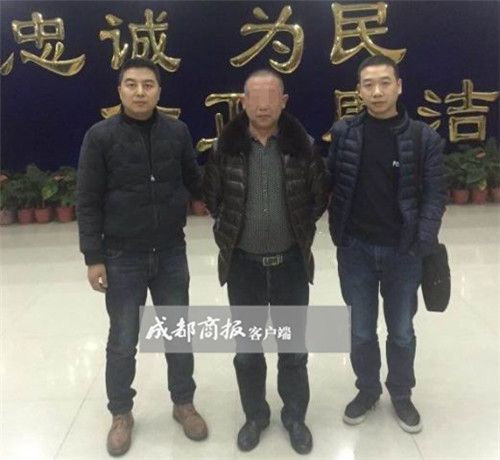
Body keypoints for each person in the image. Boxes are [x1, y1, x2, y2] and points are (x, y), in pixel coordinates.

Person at [77, 57, 208, 456]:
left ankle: (183, 403)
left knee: (178, 334)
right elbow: (87, 201)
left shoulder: (177, 132)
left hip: (170, 251)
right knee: (123, 340)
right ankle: (121, 413)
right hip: (122, 256)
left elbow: (195, 182)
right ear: (120, 90)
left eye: (147, 85)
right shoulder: (100, 137)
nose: (139, 92)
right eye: (131, 84)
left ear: (158, 91)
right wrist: (93, 257)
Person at [203, 69, 328, 455]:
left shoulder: (302, 146)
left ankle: (295, 416)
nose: (262, 106)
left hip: (290, 265)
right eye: (254, 98)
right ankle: (255, 416)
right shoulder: (225, 148)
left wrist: (298, 231)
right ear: (242, 102)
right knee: (247, 351)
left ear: (284, 101)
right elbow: (213, 198)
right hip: (244, 267)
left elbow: (318, 196)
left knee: (293, 349)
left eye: (271, 97)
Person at [327, 55, 446, 433]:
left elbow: (435, 196)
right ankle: (367, 390)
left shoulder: (423, 138)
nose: (376, 92)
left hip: (403, 252)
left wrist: (422, 240)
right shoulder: (345, 133)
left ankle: (401, 393)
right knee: (360, 331)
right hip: (356, 251)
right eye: (368, 84)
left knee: (402, 331)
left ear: (399, 86)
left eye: (384, 83)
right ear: (358, 91)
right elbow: (330, 182)